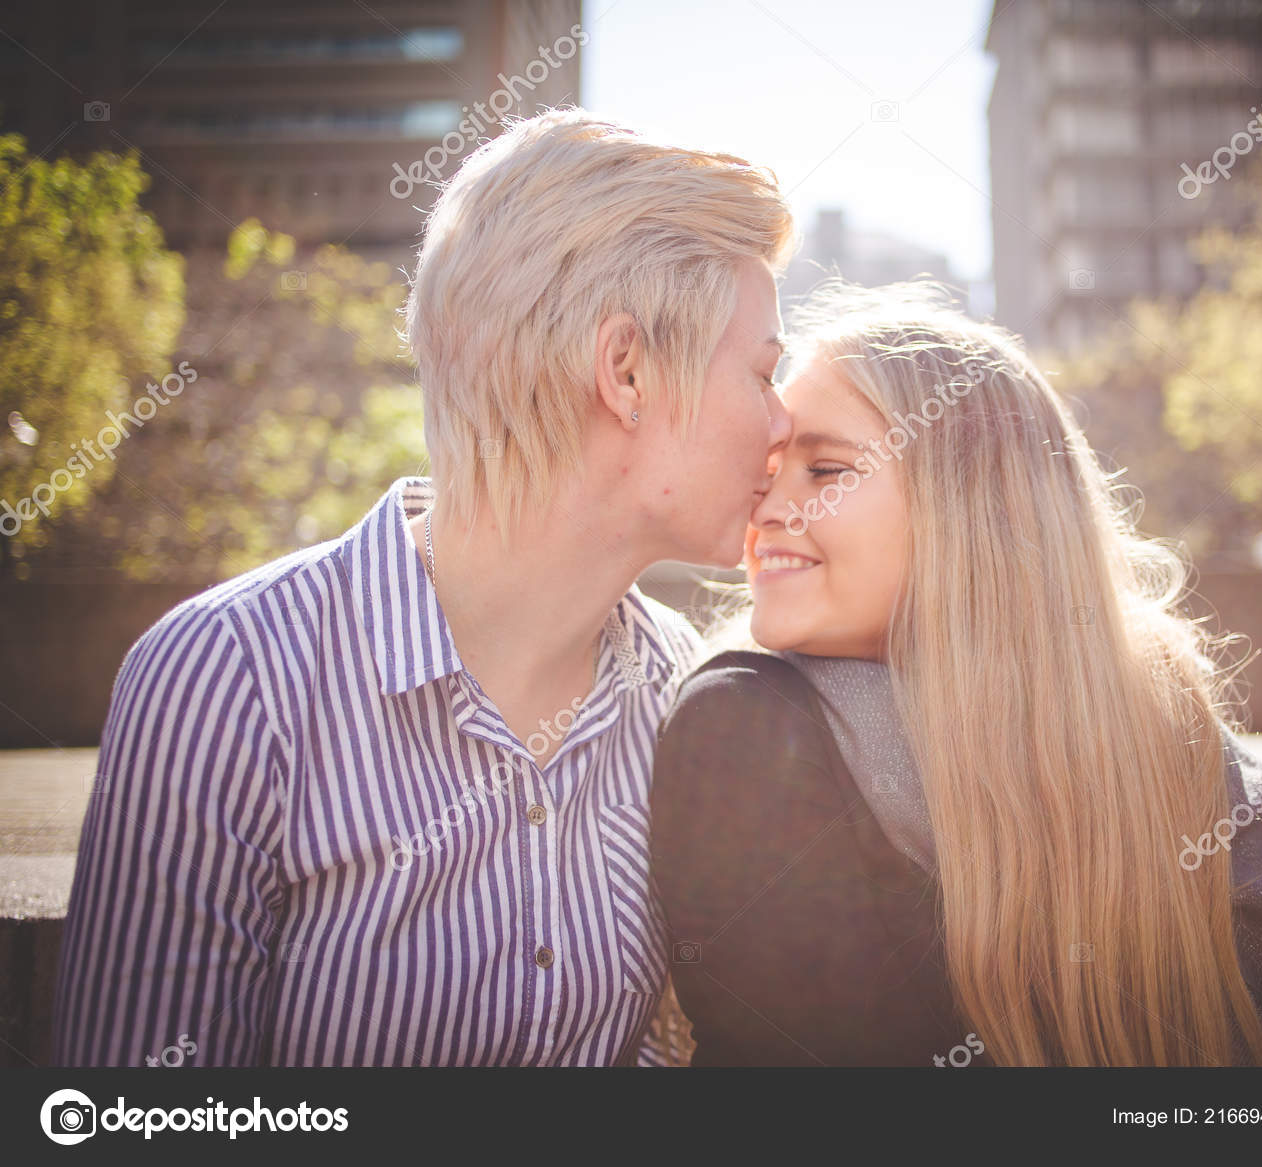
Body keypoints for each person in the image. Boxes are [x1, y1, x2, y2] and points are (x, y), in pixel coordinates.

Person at [53, 108, 794, 1066]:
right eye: (764, 373)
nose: (783, 427)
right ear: (627, 371)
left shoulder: (683, 693)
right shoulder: (228, 679)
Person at [649, 282, 1262, 1067]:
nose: (767, 507)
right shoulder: (1204, 769)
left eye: (825, 471)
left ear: (970, 508)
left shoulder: (744, 728)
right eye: (770, 469)